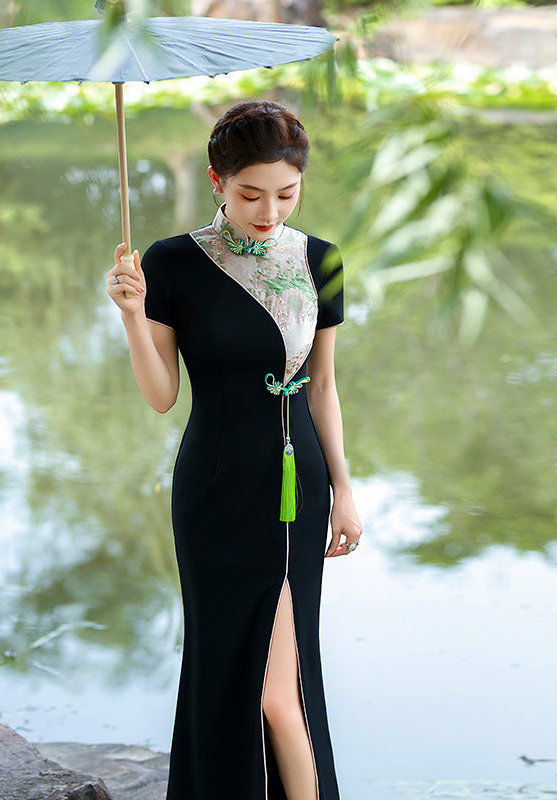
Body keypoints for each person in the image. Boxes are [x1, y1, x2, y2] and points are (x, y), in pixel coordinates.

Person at [106, 101, 362, 800]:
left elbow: (324, 388)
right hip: (216, 491)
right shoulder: (171, 262)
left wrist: (345, 488)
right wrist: (134, 316)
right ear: (218, 181)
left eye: (286, 193)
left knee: (283, 690)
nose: (269, 210)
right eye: (250, 194)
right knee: (229, 674)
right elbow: (161, 394)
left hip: (297, 493)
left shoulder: (321, 261)